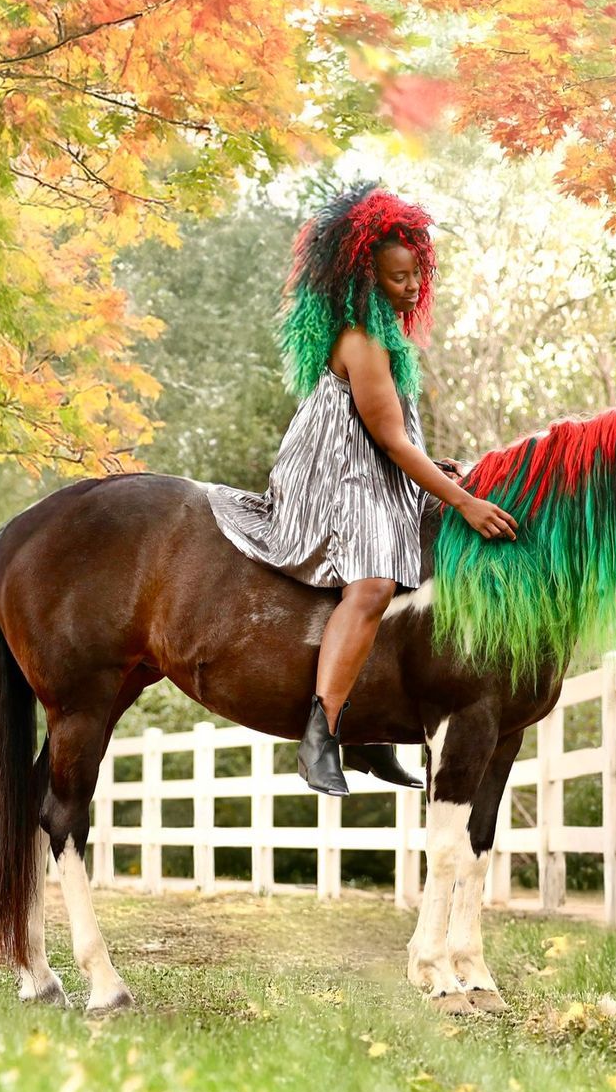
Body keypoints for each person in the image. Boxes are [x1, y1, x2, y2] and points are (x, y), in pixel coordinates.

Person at [205, 184, 518, 796]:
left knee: (419, 557)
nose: (410, 288)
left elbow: (400, 438)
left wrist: (439, 471)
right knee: (373, 580)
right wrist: (465, 501)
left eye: (415, 276)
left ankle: (372, 739)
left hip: (371, 469)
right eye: (397, 277)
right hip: (332, 477)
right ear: (365, 279)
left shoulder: (390, 340)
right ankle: (321, 735)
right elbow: (391, 441)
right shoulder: (363, 342)